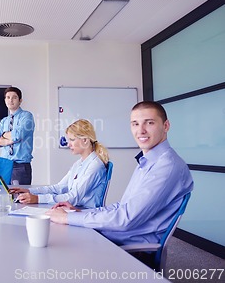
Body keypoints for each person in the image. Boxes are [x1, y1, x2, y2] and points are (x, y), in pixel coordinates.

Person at [46, 101, 194, 248]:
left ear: (166, 126)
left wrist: (68, 217)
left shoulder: (166, 167)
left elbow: (125, 219)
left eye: (149, 123)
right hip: (115, 235)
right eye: (135, 124)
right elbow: (122, 206)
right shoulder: (148, 161)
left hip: (129, 248)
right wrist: (79, 213)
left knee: (56, 244)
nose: (141, 130)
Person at [10, 119, 109, 208]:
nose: (68, 144)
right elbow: (59, 187)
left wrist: (38, 199)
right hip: (76, 209)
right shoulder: (79, 164)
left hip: (86, 213)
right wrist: (30, 191)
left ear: (85, 140)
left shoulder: (95, 165)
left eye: (72, 140)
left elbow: (73, 197)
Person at [0, 87, 35, 185]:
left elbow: (18, 135)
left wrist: (3, 136)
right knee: (4, 197)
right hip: (4, 165)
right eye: (8, 97)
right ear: (5, 100)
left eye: (14, 97)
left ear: (20, 100)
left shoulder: (27, 116)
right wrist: (9, 140)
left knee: (20, 198)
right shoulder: (4, 121)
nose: (10, 100)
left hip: (20, 166)